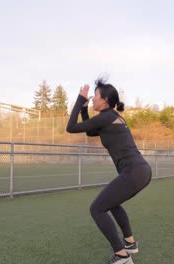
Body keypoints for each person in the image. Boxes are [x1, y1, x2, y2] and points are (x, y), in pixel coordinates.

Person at [66, 77, 152, 264]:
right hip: (139, 170)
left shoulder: (106, 117)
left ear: (105, 100)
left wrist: (80, 100)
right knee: (111, 203)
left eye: (95, 96)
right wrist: (83, 109)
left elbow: (71, 128)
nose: (92, 99)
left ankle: (122, 256)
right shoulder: (111, 118)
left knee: (97, 209)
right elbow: (90, 132)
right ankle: (129, 243)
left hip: (133, 171)